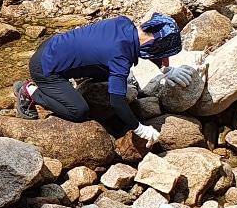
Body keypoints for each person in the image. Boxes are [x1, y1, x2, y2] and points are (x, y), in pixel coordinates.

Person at [13, 13, 196, 143]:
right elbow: (116, 102)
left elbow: (151, 46)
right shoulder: (119, 56)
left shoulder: (124, 24)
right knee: (79, 111)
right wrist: (140, 128)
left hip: (52, 46)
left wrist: (166, 69)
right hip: (44, 69)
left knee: (113, 77)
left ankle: (73, 82)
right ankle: (30, 91)